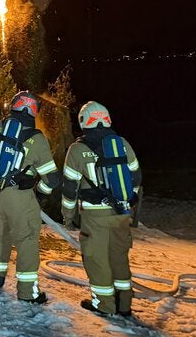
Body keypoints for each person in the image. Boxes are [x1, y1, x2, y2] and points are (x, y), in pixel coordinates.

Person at [0, 90, 60, 303]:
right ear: (34, 112)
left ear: (13, 106)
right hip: (20, 198)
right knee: (27, 241)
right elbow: (52, 178)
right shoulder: (37, 138)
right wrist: (40, 194)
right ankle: (27, 293)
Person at [61, 101, 142, 317]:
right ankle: (124, 304)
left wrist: (68, 216)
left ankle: (104, 305)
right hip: (120, 215)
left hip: (94, 216)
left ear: (83, 122)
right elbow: (136, 177)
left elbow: (70, 188)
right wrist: (125, 201)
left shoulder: (77, 150)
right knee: (119, 258)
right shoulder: (122, 144)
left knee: (97, 260)